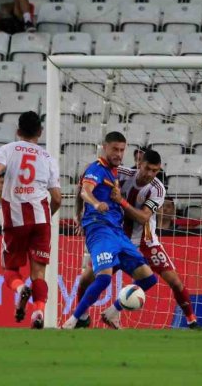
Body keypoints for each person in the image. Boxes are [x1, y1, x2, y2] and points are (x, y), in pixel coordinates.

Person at [75, 149, 199, 329]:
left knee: (175, 281)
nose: (150, 174)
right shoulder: (122, 174)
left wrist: (121, 201)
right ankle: (82, 317)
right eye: (147, 168)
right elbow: (87, 178)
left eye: (154, 170)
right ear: (140, 164)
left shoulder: (157, 189)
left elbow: (143, 217)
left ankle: (192, 321)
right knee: (86, 279)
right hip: (116, 238)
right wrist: (80, 215)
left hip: (145, 242)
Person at [62, 131, 159, 329]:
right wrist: (96, 204)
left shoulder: (113, 171)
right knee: (104, 277)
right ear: (104, 147)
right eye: (115, 149)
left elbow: (80, 191)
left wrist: (79, 214)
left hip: (116, 231)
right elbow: (85, 191)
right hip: (99, 227)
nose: (118, 154)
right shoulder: (97, 168)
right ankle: (72, 321)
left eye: (122, 150)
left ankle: (112, 312)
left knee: (148, 278)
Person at [0, 111, 62, 329]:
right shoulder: (48, 158)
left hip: (14, 218)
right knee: (39, 273)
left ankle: (20, 288)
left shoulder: (8, 149)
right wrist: (47, 218)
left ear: (18, 131)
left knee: (10, 269)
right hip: (40, 218)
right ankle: (38, 312)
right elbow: (57, 198)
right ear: (40, 132)